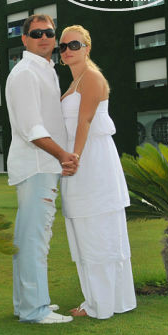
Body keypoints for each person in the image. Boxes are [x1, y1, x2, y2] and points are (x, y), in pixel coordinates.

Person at [58, 25, 137, 319]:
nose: (67, 50)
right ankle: (98, 300)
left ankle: (102, 304)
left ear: (87, 47)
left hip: (93, 163)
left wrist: (75, 156)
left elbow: (86, 121)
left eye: (74, 45)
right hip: (79, 161)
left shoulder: (92, 77)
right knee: (86, 233)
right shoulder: (75, 81)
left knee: (98, 231)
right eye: (63, 46)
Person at [5, 14, 78, 324]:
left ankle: (27, 304)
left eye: (49, 32)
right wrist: (63, 155)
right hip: (37, 165)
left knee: (32, 238)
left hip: (43, 165)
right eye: (36, 34)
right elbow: (30, 128)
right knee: (34, 240)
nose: (44, 38)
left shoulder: (45, 70)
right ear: (25, 39)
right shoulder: (25, 74)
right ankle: (35, 310)